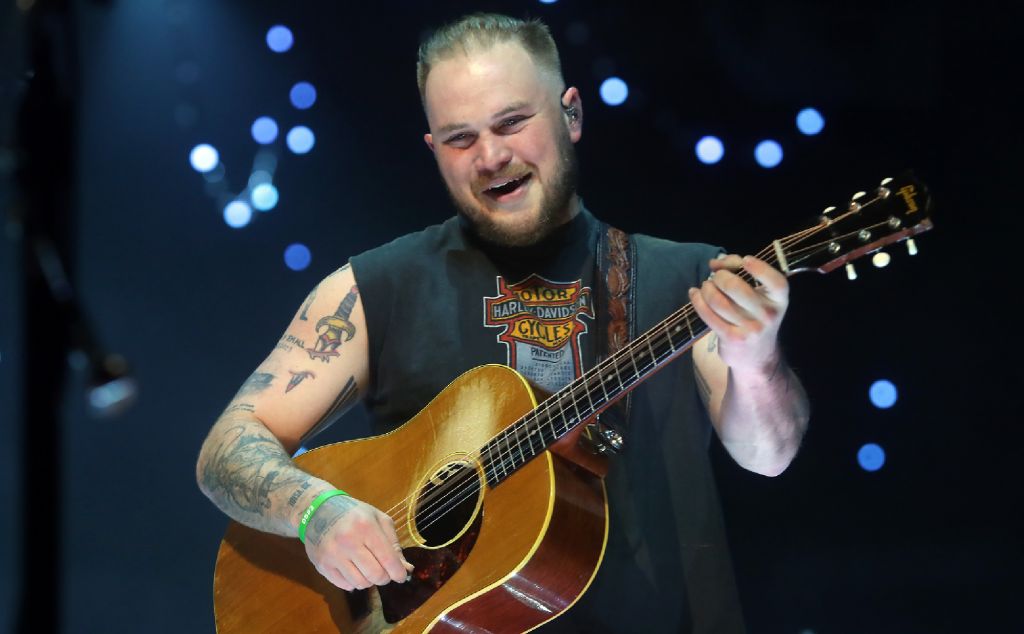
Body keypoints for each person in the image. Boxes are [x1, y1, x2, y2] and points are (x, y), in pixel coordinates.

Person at [196, 12, 810, 633]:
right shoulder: (372, 288)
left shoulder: (690, 281)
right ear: (434, 149)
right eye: (460, 138)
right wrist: (315, 511)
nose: (490, 156)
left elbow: (770, 456)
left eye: (513, 122)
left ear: (571, 115)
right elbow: (227, 447)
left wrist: (757, 360)